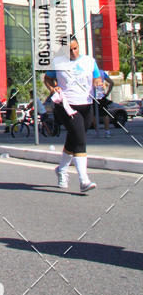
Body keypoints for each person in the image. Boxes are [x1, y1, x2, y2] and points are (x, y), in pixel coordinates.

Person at [44, 35, 103, 192]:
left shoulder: (89, 61)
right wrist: (53, 88)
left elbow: (97, 78)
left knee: (73, 140)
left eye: (75, 48)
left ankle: (61, 169)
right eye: (69, 50)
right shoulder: (57, 63)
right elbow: (47, 79)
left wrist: (98, 83)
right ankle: (84, 180)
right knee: (80, 140)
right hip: (67, 106)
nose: (74, 52)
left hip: (87, 105)